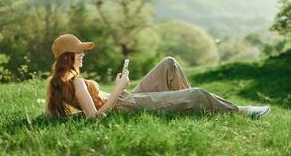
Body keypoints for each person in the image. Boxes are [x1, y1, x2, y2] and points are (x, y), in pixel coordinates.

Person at [45, 34, 270, 120]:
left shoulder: (59, 83)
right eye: (79, 51)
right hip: (124, 105)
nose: (83, 54)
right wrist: (118, 87)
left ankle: (189, 107)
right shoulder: (75, 82)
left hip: (124, 99)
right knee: (197, 94)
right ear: (67, 57)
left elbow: (53, 112)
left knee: (169, 64)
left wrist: (118, 89)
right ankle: (242, 111)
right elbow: (95, 117)